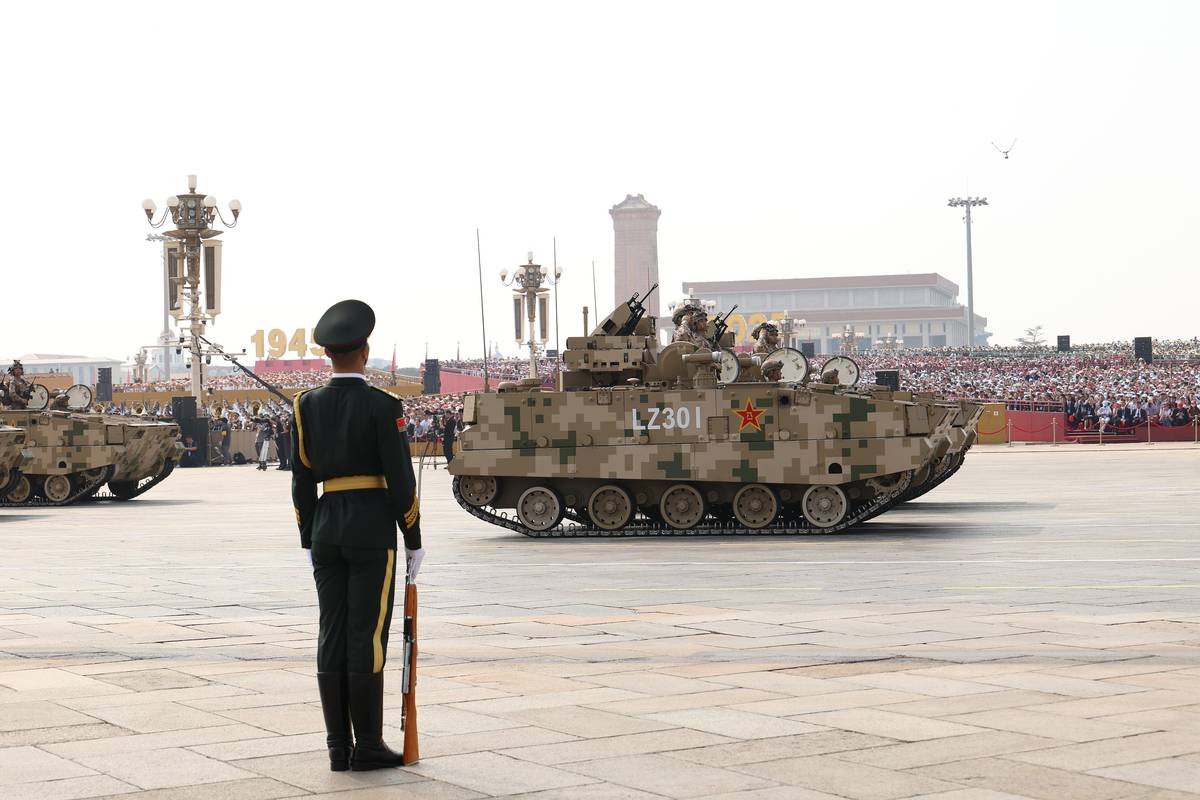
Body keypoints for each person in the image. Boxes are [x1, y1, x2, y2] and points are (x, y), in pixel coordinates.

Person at [292, 299, 424, 773]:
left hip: (326, 527)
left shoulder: (306, 405)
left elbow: (301, 479)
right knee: (366, 634)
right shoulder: (383, 406)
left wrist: (309, 536)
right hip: (370, 526)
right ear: (365, 352)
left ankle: (337, 748)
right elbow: (400, 479)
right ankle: (367, 745)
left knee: (331, 631)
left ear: (329, 354)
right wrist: (413, 535)